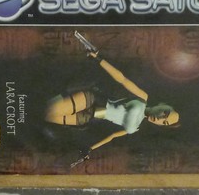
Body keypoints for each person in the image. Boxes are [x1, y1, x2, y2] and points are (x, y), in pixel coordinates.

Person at [44, 46, 180, 164]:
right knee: (49, 110)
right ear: (162, 104)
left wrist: (90, 149)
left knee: (48, 117)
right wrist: (99, 59)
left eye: (164, 122)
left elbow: (112, 136)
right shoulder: (143, 98)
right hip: (94, 101)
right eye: (165, 113)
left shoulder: (135, 128)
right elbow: (122, 79)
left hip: (91, 117)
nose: (160, 118)